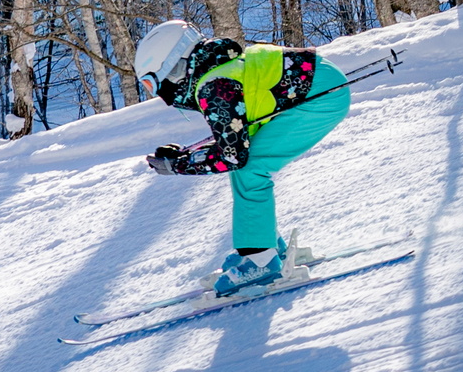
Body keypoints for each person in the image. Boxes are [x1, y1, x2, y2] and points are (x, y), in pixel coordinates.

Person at [134, 20, 351, 297]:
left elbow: (232, 155)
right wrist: (185, 156)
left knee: (251, 170)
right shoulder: (216, 71)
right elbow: (233, 139)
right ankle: (265, 245)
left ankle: (260, 259)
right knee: (247, 169)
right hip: (320, 84)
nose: (161, 95)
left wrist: (177, 165)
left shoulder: (214, 85)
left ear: (173, 68)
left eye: (153, 84)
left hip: (321, 98)